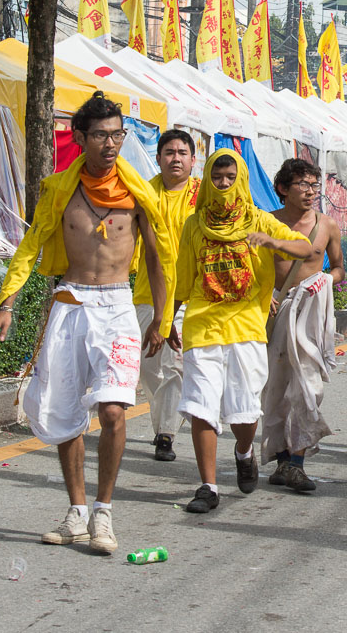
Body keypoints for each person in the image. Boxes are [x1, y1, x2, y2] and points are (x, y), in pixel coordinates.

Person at [0, 93, 176, 553]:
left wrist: (163, 319)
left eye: (117, 135)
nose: (111, 144)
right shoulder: (58, 190)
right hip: (70, 306)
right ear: (81, 138)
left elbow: (159, 258)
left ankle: (104, 513)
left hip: (116, 309)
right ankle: (76, 512)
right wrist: (6, 302)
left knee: (113, 410)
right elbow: (31, 248)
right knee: (67, 411)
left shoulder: (138, 194)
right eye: (101, 136)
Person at [175, 151, 313, 514]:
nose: (223, 184)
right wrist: (165, 324)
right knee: (201, 407)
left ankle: (244, 451)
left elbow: (307, 248)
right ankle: (208, 486)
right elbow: (182, 280)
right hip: (202, 325)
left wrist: (274, 243)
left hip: (247, 327)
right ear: (207, 179)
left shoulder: (259, 219)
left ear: (241, 180)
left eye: (229, 177)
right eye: (217, 177)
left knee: (244, 413)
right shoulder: (194, 225)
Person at [260, 159, 345, 493]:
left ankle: (298, 461)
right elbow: (253, 267)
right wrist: (264, 293)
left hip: (310, 313)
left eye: (314, 185)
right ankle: (282, 459)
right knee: (274, 389)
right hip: (274, 313)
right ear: (283, 188)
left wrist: (323, 279)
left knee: (309, 387)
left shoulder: (327, 225)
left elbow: (338, 267)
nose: (310, 192)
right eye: (303, 185)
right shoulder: (267, 223)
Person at [132, 129, 200, 462]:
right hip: (147, 292)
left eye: (182, 153)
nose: (175, 158)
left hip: (190, 294)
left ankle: (165, 434)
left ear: (193, 159)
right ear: (158, 158)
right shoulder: (143, 193)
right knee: (147, 367)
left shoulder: (204, 195)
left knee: (175, 364)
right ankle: (163, 421)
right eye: (169, 152)